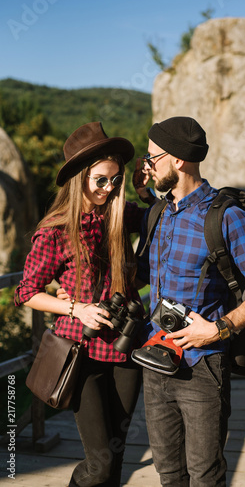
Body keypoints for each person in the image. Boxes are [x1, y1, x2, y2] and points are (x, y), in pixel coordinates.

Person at [133, 116, 245, 487]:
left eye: (152, 158)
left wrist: (219, 329)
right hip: (155, 359)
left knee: (205, 476)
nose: (146, 166)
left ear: (179, 161)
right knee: (169, 474)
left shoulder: (226, 217)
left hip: (202, 366)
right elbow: (140, 275)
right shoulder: (159, 212)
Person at [15, 122, 147, 487]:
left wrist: (142, 190)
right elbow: (26, 292)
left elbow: (161, 217)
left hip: (125, 347)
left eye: (115, 180)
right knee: (98, 466)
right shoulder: (55, 229)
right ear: (79, 178)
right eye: (101, 180)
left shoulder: (121, 215)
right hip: (81, 350)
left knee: (116, 458)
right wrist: (78, 308)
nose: (109, 189)